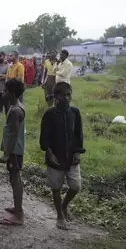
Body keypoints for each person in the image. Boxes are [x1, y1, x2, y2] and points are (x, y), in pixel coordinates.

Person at [39, 82, 85, 230]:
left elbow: (79, 134)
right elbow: (44, 137)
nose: (66, 98)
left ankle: (65, 206)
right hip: (55, 157)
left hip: (72, 157)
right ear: (56, 97)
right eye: (63, 95)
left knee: (75, 186)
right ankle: (59, 216)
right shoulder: (50, 114)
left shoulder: (75, 112)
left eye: (68, 95)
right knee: (56, 188)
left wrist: (78, 151)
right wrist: (49, 152)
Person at [0, 79, 26, 226]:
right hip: (14, 151)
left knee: (15, 180)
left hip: (14, 152)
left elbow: (15, 133)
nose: (3, 93)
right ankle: (17, 208)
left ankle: (19, 215)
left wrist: (7, 153)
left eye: (6, 91)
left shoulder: (15, 110)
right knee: (14, 179)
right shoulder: (14, 106)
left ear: (13, 93)